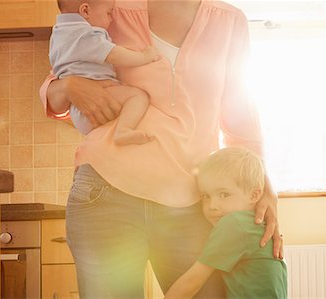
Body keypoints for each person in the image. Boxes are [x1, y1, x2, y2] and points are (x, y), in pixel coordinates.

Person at [39, 0, 283, 298]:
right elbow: (59, 83)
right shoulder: (114, 9)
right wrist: (67, 86)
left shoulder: (230, 22)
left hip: (191, 200)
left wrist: (266, 190)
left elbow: (241, 123)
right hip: (105, 193)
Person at [165, 147, 287, 299]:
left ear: (255, 194)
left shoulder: (233, 224)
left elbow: (191, 283)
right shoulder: (256, 224)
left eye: (224, 194)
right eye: (206, 196)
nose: (212, 205)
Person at [50, 0, 160, 145]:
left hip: (81, 111)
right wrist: (145, 56)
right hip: (98, 98)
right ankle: (123, 130)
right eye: (109, 13)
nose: (111, 18)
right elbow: (114, 55)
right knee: (138, 96)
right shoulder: (84, 35)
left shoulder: (59, 33)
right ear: (86, 11)